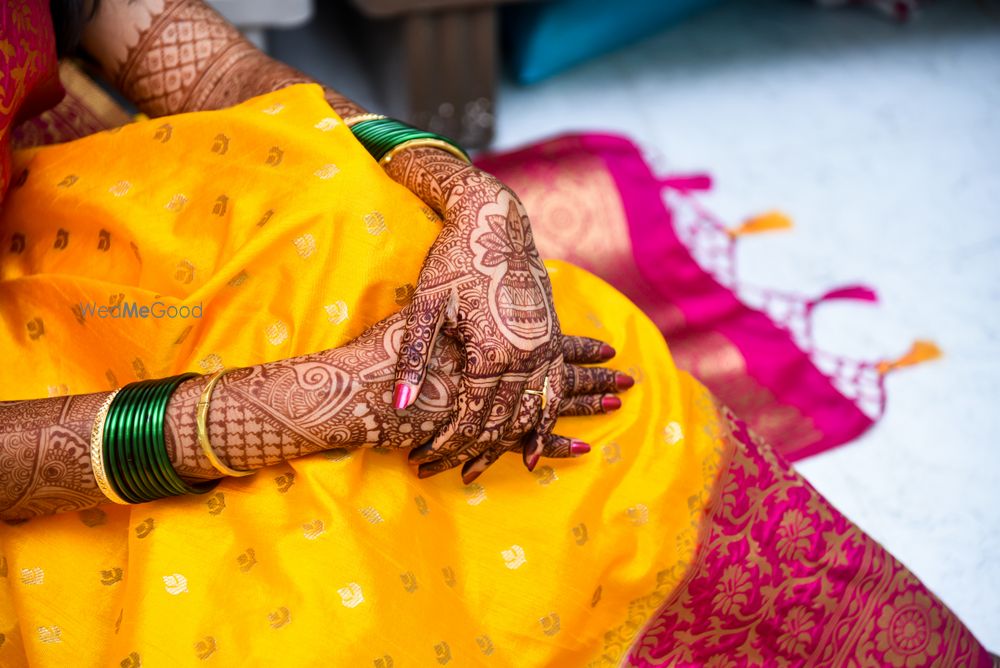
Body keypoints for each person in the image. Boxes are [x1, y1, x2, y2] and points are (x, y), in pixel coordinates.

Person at [0, 1, 992, 665]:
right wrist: (305, 405)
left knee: (567, 404)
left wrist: (469, 201)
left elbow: (208, 68)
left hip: (68, 221)